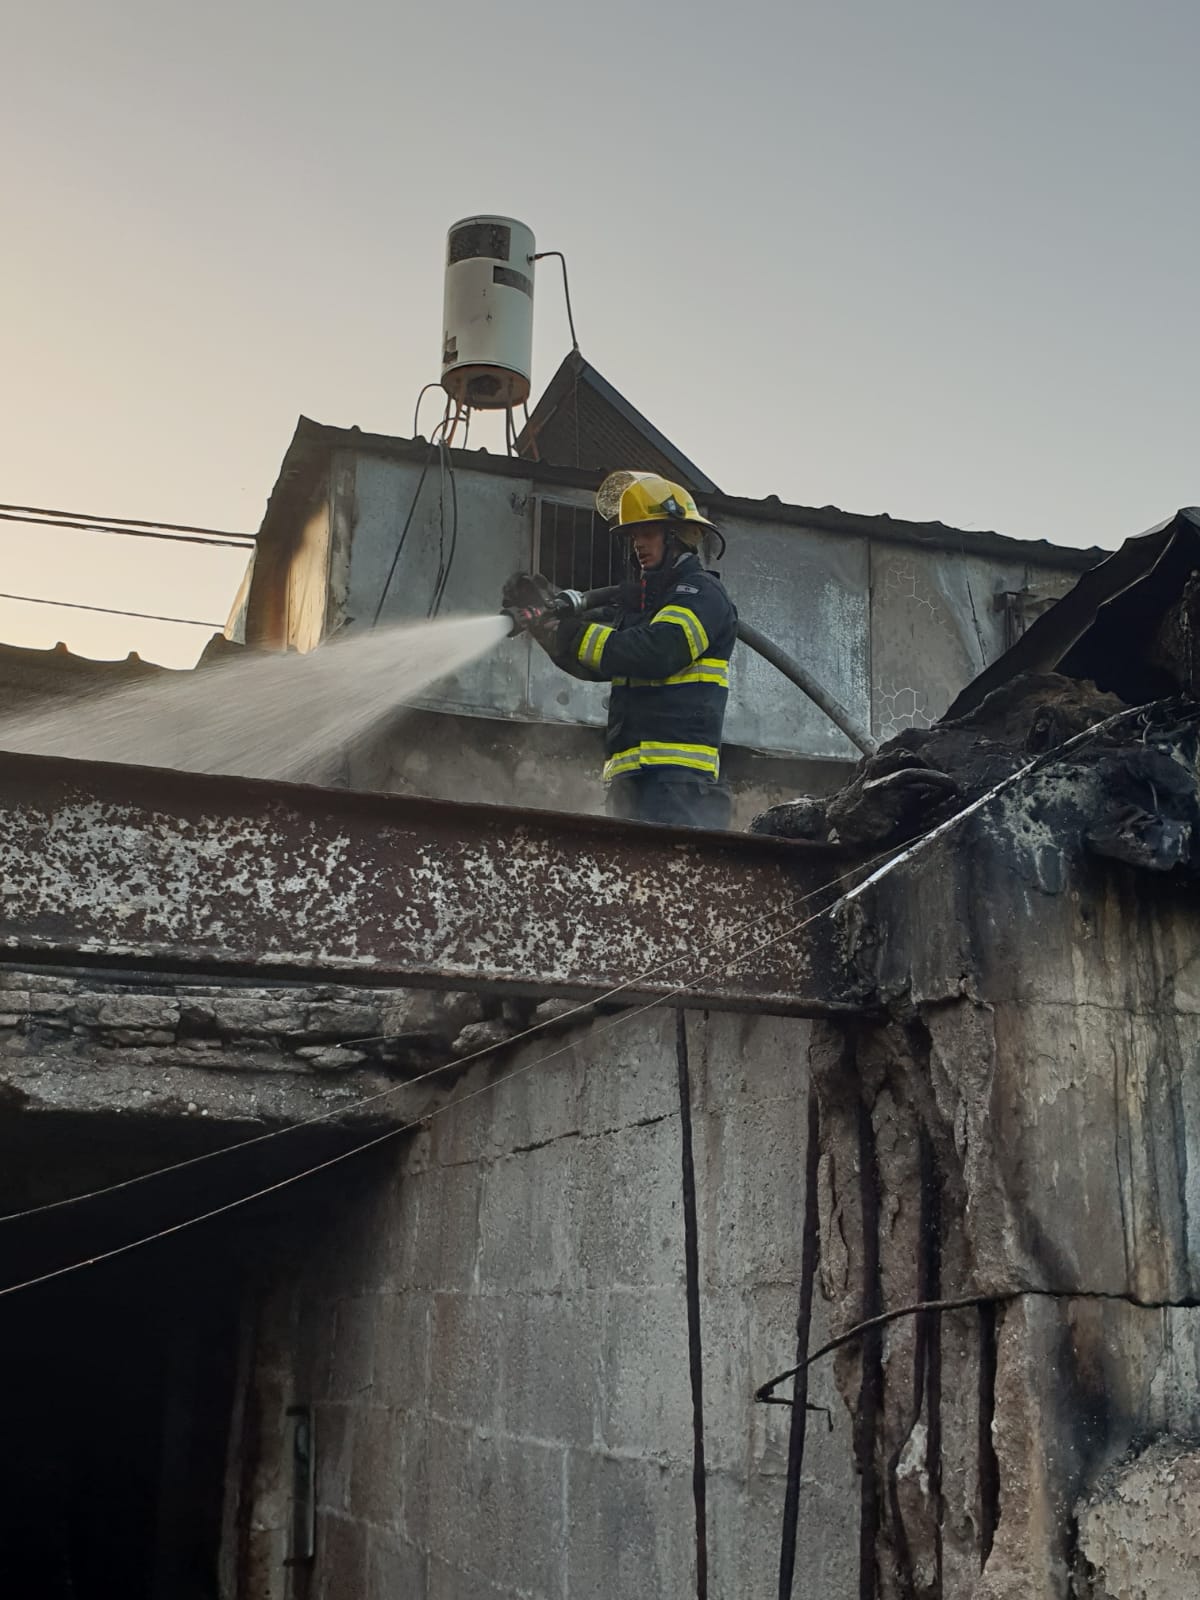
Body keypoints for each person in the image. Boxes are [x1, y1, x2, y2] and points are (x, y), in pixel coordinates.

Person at [514, 470, 737, 829]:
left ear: (676, 535)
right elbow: (598, 663)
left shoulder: (700, 594)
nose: (638, 544)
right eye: (634, 535)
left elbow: (659, 652)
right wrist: (547, 629)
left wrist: (575, 632)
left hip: (679, 786)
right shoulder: (644, 607)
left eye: (647, 532)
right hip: (630, 784)